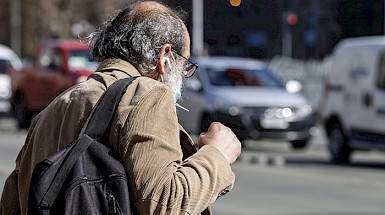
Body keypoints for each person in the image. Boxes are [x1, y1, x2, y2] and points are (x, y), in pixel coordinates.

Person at [0, 1, 242, 214]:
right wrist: (216, 154)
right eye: (185, 65)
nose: (184, 76)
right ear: (165, 56)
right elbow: (166, 204)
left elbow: (10, 204)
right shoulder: (147, 93)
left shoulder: (52, 110)